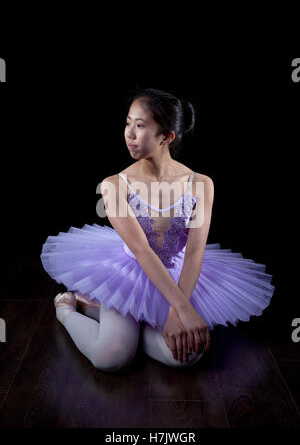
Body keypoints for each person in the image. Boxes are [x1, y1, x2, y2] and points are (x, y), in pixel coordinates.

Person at [40, 87, 275, 372]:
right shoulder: (114, 185)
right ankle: (67, 308)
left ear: (167, 136)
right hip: (128, 272)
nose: (129, 133)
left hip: (176, 276)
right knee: (112, 357)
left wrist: (180, 307)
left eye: (140, 126)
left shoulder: (201, 184)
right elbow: (140, 249)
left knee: (187, 354)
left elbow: (195, 252)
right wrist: (184, 311)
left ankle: (113, 318)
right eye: (128, 123)